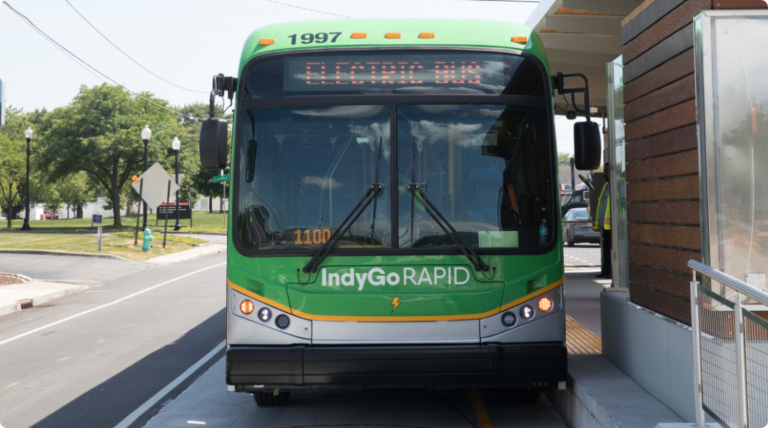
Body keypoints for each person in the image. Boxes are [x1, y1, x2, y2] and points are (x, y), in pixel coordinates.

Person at [595, 163, 611, 279]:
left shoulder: (617, 186)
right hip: (606, 226)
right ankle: (606, 271)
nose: (604, 174)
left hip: (613, 227)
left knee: (611, 250)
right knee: (606, 250)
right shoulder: (606, 187)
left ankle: (611, 272)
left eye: (606, 172)